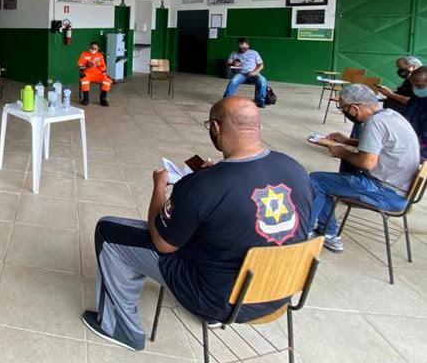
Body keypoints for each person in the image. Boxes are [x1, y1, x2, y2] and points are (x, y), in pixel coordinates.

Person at [83, 97, 312, 351]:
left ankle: (120, 328)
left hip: (218, 301)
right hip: (279, 291)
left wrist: (159, 186)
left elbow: (161, 242)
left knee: (109, 231)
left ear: (215, 127)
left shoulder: (202, 186)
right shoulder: (296, 170)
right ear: (258, 126)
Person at [310, 84, 420, 253]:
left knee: (316, 180)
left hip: (385, 193)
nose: (344, 112)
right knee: (326, 182)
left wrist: (342, 153)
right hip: (401, 192)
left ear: (355, 108)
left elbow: (367, 163)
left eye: (343, 108)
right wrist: (347, 141)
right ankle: (328, 234)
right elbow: (379, 145)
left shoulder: (374, 122)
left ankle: (308, 233)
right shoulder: (391, 115)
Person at [223, 38, 267, 107]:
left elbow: (261, 65)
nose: (241, 48)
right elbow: (228, 63)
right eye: (240, 46)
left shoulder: (254, 53)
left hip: (253, 73)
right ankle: (226, 99)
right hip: (241, 74)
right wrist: (232, 63)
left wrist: (255, 72)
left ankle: (260, 100)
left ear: (247, 45)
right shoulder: (234, 53)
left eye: (243, 46)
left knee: (262, 80)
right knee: (233, 81)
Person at [402, 67, 427, 161]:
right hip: (408, 144)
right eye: (413, 85)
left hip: (421, 151)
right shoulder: (416, 98)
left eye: (419, 86)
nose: (415, 89)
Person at [77, 41, 111, 107]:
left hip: (98, 74)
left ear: (98, 49)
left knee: (107, 81)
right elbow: (79, 65)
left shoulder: (100, 55)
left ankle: (103, 99)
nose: (93, 50)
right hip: (88, 74)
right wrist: (86, 65)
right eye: (92, 48)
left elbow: (104, 67)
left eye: (95, 49)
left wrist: (98, 65)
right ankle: (86, 99)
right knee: (84, 81)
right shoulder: (84, 54)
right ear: (89, 47)